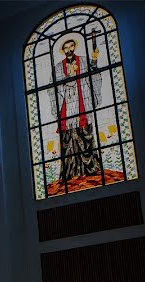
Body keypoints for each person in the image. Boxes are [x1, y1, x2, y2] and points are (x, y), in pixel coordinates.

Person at [46, 34, 103, 183]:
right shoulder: (58, 67)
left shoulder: (83, 61)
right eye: (66, 47)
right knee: (68, 138)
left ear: (74, 47)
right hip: (67, 105)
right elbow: (53, 88)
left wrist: (95, 59)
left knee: (85, 134)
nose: (69, 49)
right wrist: (67, 79)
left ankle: (90, 168)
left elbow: (93, 72)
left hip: (82, 102)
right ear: (63, 50)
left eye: (71, 46)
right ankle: (70, 173)